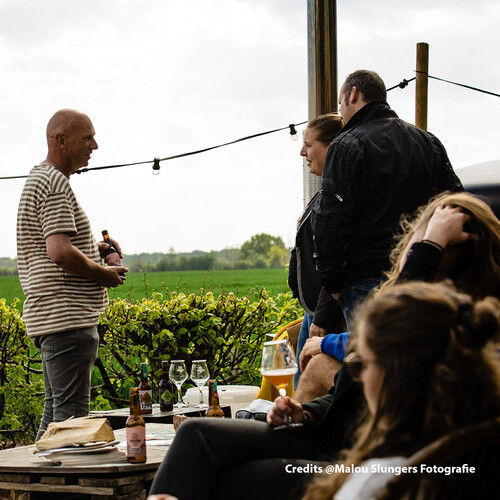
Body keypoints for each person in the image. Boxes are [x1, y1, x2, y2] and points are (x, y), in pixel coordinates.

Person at [302, 281, 500, 500]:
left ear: (395, 375)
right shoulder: (478, 443)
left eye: (359, 365)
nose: (360, 378)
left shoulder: (374, 481)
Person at [298, 191, 500, 397]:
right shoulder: (481, 306)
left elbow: (383, 339)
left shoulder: (437, 310)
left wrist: (428, 247)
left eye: (418, 245)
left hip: (408, 410)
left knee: (320, 367)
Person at [311, 69, 462, 332]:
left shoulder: (346, 145)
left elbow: (330, 223)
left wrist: (331, 284)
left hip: (366, 280)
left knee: (370, 364)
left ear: (353, 94)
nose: (341, 115)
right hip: (421, 274)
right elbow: (457, 203)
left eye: (340, 104)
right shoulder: (428, 142)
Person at [16, 109, 129, 440]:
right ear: (60, 140)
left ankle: (38, 485)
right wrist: (103, 274)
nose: (95, 145)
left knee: (55, 420)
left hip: (52, 321)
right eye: (87, 137)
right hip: (68, 322)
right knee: (71, 426)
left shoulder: (40, 179)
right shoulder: (53, 182)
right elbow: (60, 253)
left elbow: (52, 246)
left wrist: (95, 249)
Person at [287, 113, 345, 391]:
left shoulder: (339, 195)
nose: (302, 152)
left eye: (309, 145)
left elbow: (335, 259)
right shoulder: (324, 191)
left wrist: (322, 317)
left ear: (332, 147)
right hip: (315, 312)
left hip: (327, 316)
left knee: (309, 391)